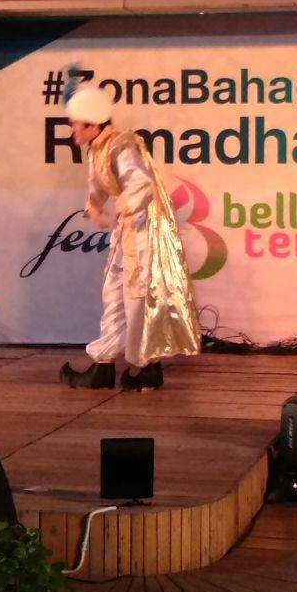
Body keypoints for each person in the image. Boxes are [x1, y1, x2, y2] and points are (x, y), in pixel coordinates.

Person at [59, 84, 200, 390]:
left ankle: (147, 367)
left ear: (93, 124)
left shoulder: (122, 145)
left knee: (138, 297)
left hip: (144, 230)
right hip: (129, 229)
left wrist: (120, 208)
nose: (73, 132)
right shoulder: (98, 149)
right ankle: (104, 365)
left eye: (76, 125)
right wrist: (94, 207)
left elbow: (141, 184)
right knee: (114, 292)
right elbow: (97, 185)